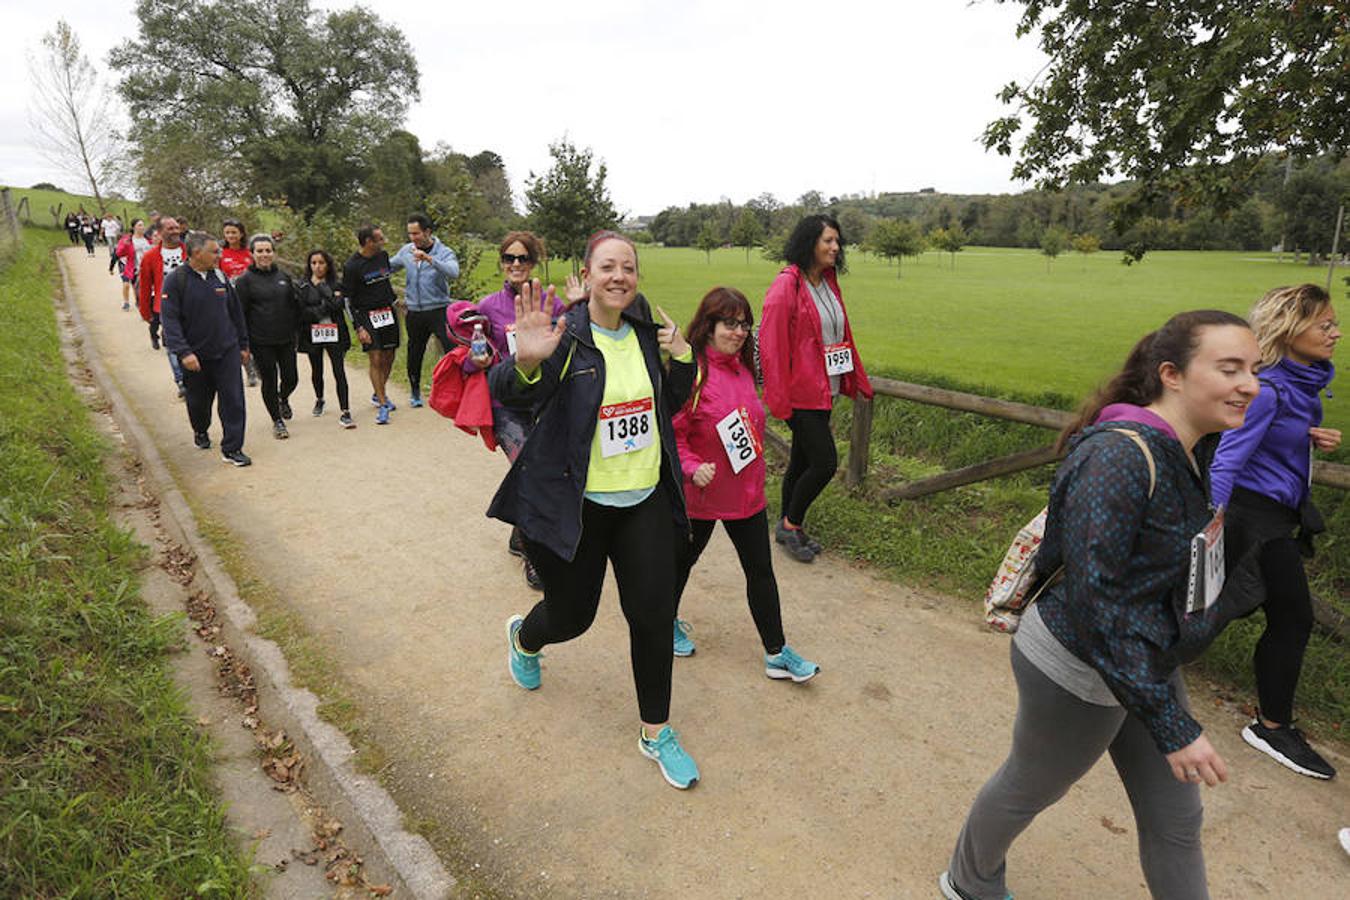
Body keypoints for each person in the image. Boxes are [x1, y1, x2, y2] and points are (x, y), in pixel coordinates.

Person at [939, 310, 1261, 900]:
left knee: (1177, 819)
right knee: (1030, 787)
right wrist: (1172, 724)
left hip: (1144, 661)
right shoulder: (1116, 458)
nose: (1251, 384)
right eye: (1230, 368)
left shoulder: (1194, 448)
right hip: (1077, 666)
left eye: (1255, 369)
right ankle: (968, 879)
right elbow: (1096, 603)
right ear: (1172, 374)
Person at [488, 231, 701, 790]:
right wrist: (527, 363)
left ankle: (656, 731)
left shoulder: (645, 334)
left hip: (644, 500)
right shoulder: (566, 337)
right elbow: (510, 392)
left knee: (652, 617)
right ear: (589, 273)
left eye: (628, 267)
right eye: (608, 266)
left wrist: (682, 357)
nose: (619, 277)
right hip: (577, 507)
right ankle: (525, 639)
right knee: (573, 616)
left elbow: (667, 405)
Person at [1208, 284, 1341, 780]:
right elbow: (1226, 461)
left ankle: (1130, 662)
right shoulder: (1268, 390)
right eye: (1324, 325)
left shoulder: (1298, 388)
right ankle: (1271, 725)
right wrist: (1209, 527)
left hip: (1275, 515)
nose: (1336, 333)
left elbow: (1270, 442)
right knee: (1291, 617)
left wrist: (1306, 439)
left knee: (1217, 607)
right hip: (1252, 517)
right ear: (1289, 329)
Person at [670, 286, 820, 679]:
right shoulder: (692, 372)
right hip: (700, 496)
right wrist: (690, 467)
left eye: (743, 325)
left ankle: (777, 652)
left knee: (761, 571)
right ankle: (663, 625)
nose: (738, 332)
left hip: (746, 495)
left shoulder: (742, 369)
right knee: (680, 565)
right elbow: (675, 433)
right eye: (729, 323)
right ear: (708, 325)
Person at [758, 213, 873, 563]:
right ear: (810, 243)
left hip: (827, 388)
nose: (836, 248)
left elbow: (839, 334)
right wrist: (778, 397)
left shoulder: (827, 281)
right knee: (824, 462)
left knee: (801, 459)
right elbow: (771, 344)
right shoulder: (787, 285)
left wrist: (853, 377)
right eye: (828, 241)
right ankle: (792, 525)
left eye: (838, 242)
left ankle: (785, 524)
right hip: (800, 393)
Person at [472, 230, 565, 589]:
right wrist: (474, 358)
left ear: (533, 263)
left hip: (544, 402)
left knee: (539, 470)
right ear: (501, 262)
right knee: (532, 468)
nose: (515, 264)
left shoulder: (550, 305)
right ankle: (533, 555)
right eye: (509, 258)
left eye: (522, 258)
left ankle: (518, 532)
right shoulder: (487, 307)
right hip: (506, 405)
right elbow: (475, 355)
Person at [160, 231, 252, 467]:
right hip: (196, 357)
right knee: (198, 403)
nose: (218, 255)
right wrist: (184, 352)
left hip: (226, 352)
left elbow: (236, 313)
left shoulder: (220, 277)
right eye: (214, 251)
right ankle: (200, 430)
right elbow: (169, 320)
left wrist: (243, 345)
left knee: (233, 400)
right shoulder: (176, 280)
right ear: (197, 252)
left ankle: (232, 448)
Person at [234, 235, 299, 440]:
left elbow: (293, 306)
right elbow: (240, 314)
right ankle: (277, 420)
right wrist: (243, 343)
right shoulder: (244, 281)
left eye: (268, 250)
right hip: (261, 341)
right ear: (252, 254)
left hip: (286, 338)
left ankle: (283, 398)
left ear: (274, 253)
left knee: (291, 378)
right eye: (260, 251)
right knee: (269, 380)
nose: (264, 255)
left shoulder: (284, 276)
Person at [390, 213, 458, 408]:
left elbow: (454, 272)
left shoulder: (444, 252)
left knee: (451, 351)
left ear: (428, 232)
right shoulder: (406, 250)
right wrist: (367, 270)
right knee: (415, 352)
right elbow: (389, 267)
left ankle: (454, 391)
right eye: (410, 234)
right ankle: (415, 391)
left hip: (438, 310)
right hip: (415, 312)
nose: (413, 238)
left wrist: (429, 259)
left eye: (416, 233)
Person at [341, 224, 399, 424]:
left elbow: (386, 283)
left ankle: (378, 391)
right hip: (366, 314)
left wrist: (395, 302)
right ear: (368, 242)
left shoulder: (383, 257)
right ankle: (383, 404)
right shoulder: (352, 266)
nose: (384, 242)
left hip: (387, 312)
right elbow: (347, 299)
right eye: (380, 239)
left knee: (389, 354)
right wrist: (358, 326)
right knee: (375, 356)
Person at [297, 249, 355, 428]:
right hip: (312, 332)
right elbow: (301, 311)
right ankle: (319, 398)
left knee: (339, 370)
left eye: (321, 263)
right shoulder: (303, 285)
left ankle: (345, 410)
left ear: (328, 264)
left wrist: (323, 291)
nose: (317, 266)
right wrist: (323, 308)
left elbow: (338, 305)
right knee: (317, 369)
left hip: (334, 331)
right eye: (313, 263)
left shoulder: (336, 283)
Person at [136, 216, 188, 397]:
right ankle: (181, 380)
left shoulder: (190, 250)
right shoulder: (150, 256)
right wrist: (145, 312)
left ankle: (194, 376)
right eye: (170, 229)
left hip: (192, 305)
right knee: (173, 344)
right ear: (159, 233)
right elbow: (144, 286)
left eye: (176, 228)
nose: (175, 231)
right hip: (166, 307)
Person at [218, 218, 259, 388]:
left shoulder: (250, 253)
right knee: (239, 335)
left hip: (252, 299)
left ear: (241, 233)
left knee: (254, 332)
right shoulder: (220, 253)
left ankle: (259, 365)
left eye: (234, 232)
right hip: (230, 300)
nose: (230, 236)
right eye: (227, 232)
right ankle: (249, 369)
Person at [113, 219, 146, 311]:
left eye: (143, 225)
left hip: (137, 266)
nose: (142, 227)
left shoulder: (146, 239)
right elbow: (116, 254)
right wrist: (111, 267)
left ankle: (138, 302)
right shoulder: (127, 240)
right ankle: (126, 302)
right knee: (126, 284)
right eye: (140, 225)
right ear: (134, 227)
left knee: (136, 286)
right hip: (125, 265)